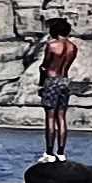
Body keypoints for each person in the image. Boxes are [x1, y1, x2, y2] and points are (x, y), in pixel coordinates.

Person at [35, 15, 82, 159]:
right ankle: (61, 152)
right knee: (61, 117)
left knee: (50, 117)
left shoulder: (52, 45)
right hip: (64, 81)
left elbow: (45, 66)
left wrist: (41, 84)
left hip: (52, 80)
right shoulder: (73, 47)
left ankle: (49, 152)